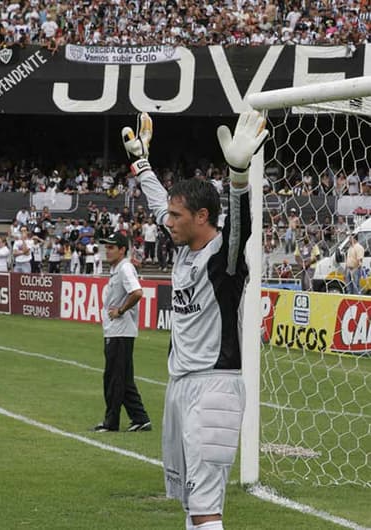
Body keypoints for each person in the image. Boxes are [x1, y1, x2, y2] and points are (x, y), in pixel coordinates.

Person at [121, 110, 268, 529]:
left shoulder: (225, 258)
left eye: (177, 216)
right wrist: (142, 163)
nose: (167, 223)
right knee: (192, 505)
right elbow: (155, 204)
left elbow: (244, 225)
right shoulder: (184, 249)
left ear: (203, 217)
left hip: (214, 387)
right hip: (181, 385)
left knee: (206, 510)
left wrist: (238, 174)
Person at [93, 231, 151, 433]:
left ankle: (111, 422)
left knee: (114, 378)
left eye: (111, 247)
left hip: (120, 332)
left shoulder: (125, 268)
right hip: (117, 331)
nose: (107, 251)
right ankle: (140, 418)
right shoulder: (119, 268)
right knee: (123, 379)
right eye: (106, 247)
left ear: (122, 249)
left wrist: (121, 310)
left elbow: (137, 293)